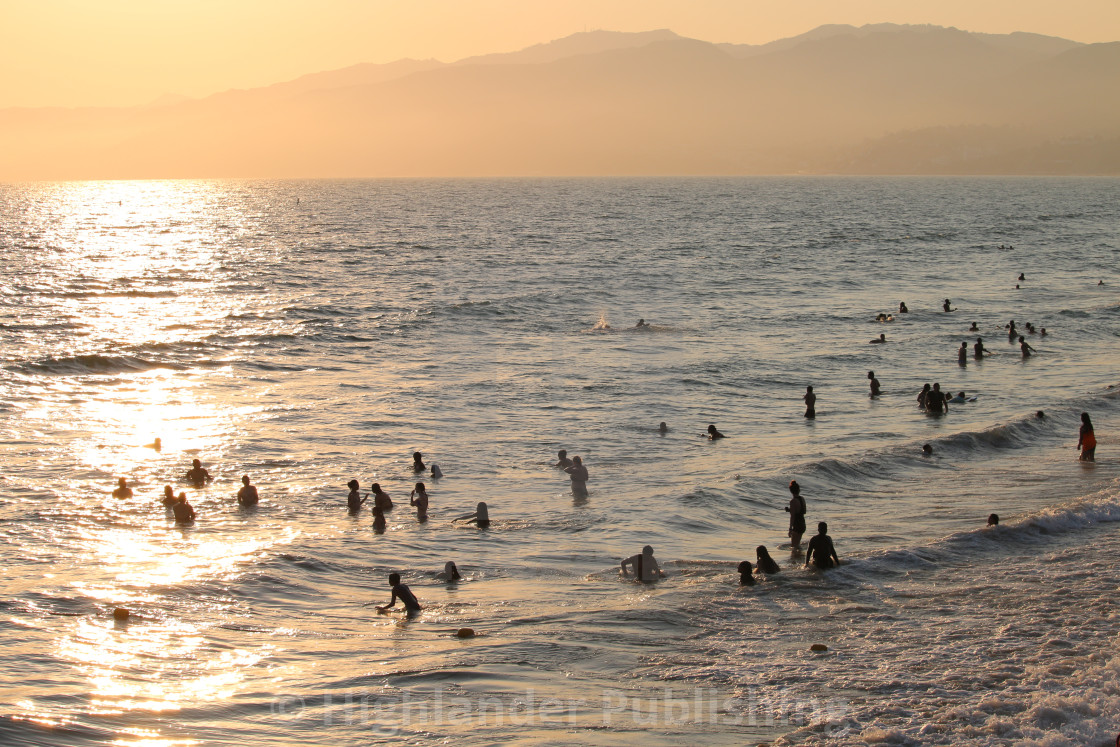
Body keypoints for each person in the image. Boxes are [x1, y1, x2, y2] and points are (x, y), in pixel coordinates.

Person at [786, 480, 807, 550]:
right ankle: (800, 557)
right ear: (799, 490)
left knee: (793, 546)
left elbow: (792, 516)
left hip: (797, 525)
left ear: (791, 491)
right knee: (797, 544)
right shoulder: (802, 499)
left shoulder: (793, 501)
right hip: (802, 524)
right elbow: (803, 511)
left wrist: (790, 529)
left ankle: (795, 559)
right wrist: (790, 510)